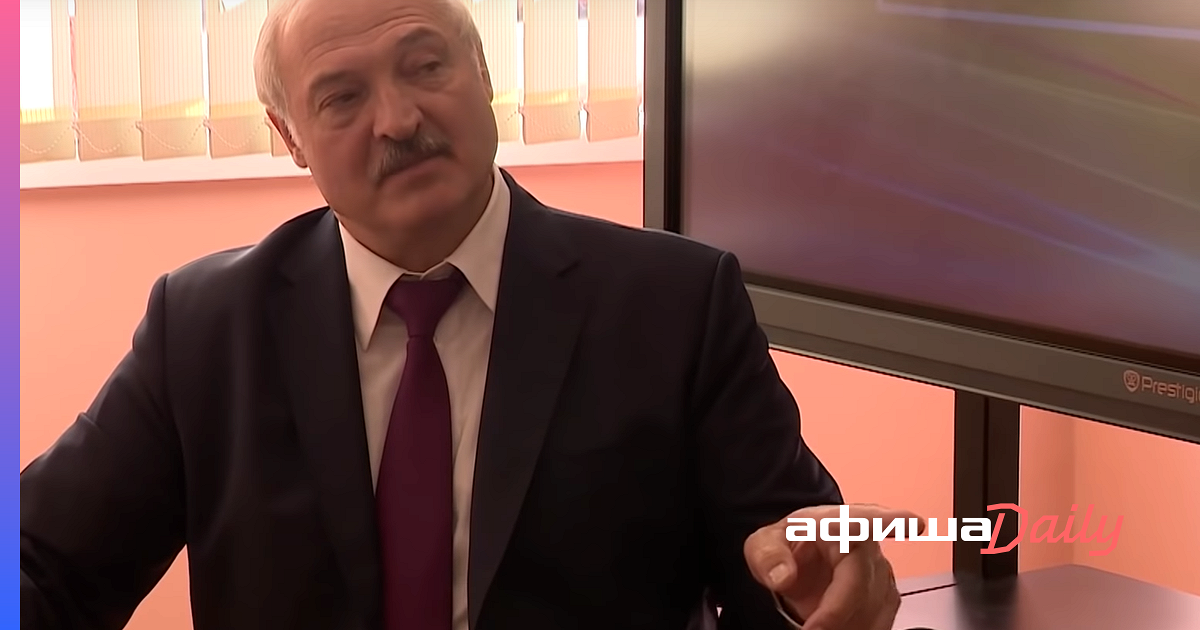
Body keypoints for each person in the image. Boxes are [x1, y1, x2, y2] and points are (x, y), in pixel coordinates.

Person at [19, 0, 919, 628]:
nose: (397, 119)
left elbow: (789, 562)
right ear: (289, 135)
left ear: (482, 72)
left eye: (426, 66)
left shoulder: (675, 304)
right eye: (342, 97)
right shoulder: (205, 327)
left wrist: (818, 590)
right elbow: (44, 564)